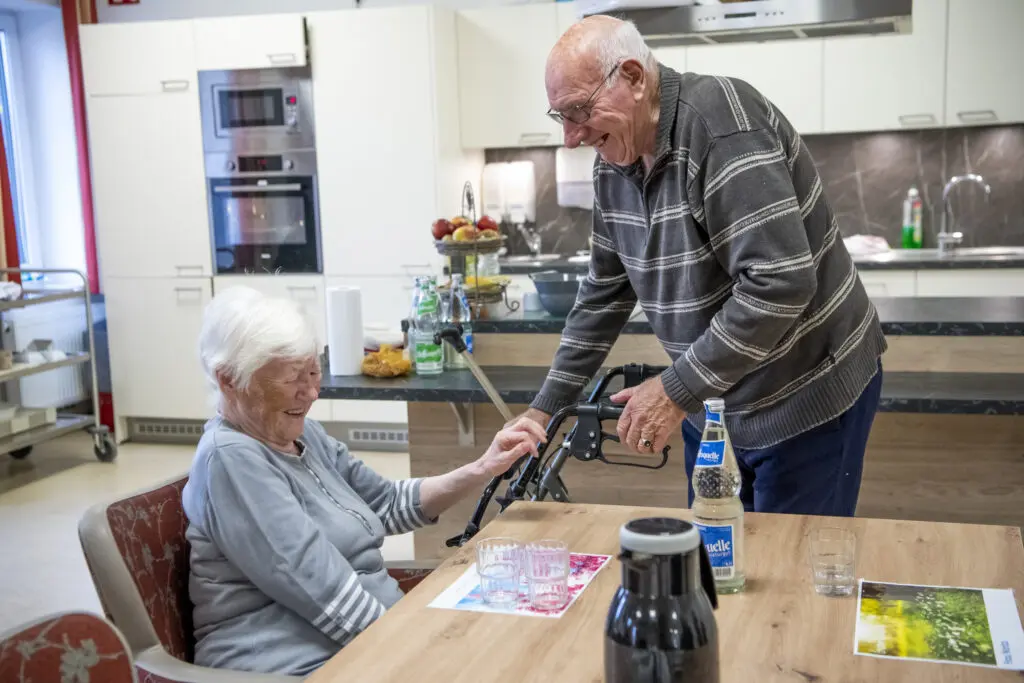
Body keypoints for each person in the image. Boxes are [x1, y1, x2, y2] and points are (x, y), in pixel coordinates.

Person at [523, 16, 886, 518]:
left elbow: (779, 284)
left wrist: (674, 390)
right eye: (559, 116)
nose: (570, 136)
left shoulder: (721, 126)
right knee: (717, 561)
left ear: (632, 76)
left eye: (580, 111)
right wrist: (541, 412)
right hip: (716, 403)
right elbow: (604, 294)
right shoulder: (613, 162)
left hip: (805, 393)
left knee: (789, 575)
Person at [182, 287, 546, 676]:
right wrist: (421, 653)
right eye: (292, 380)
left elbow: (386, 503)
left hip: (361, 642)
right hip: (291, 663)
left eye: (312, 371)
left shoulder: (305, 435)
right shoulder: (231, 458)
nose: (311, 392)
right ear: (229, 381)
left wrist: (483, 467)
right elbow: (322, 592)